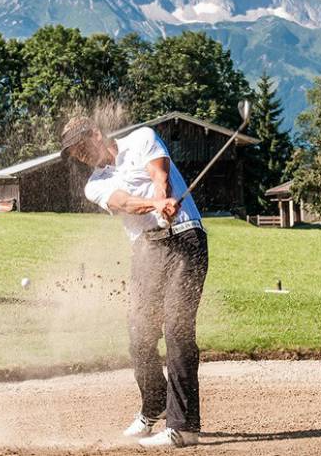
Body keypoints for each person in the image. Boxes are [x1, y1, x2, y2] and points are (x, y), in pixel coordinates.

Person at [61, 117, 207, 449]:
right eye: (74, 153)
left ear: (97, 134)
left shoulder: (142, 138)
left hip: (185, 238)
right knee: (140, 334)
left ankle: (184, 427)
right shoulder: (94, 184)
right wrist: (156, 205)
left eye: (82, 146)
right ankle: (153, 405)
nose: (80, 155)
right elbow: (124, 202)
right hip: (146, 249)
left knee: (177, 329)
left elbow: (160, 173)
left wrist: (164, 198)